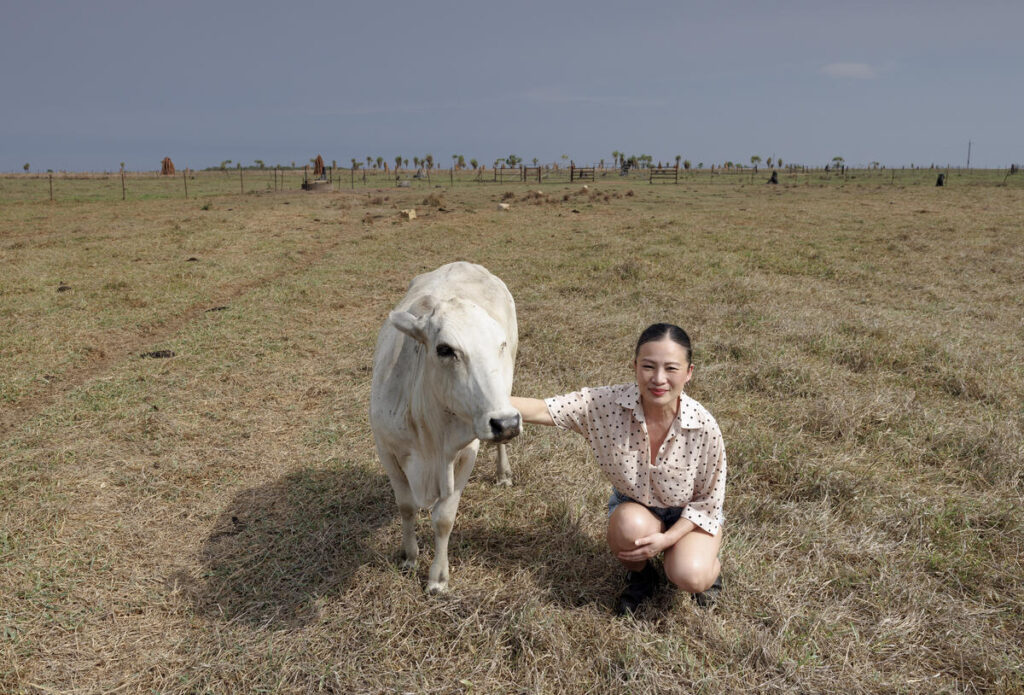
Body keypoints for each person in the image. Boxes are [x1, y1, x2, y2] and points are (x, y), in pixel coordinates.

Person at [510, 323, 726, 615]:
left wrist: (667, 539)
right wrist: (476, 401)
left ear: (688, 372)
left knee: (690, 575)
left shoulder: (704, 426)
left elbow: (707, 502)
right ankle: (642, 576)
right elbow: (544, 409)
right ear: (634, 366)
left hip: (690, 516)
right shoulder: (605, 405)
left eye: (671, 369)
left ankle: (708, 569)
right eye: (648, 366)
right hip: (637, 510)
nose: (658, 379)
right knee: (627, 526)